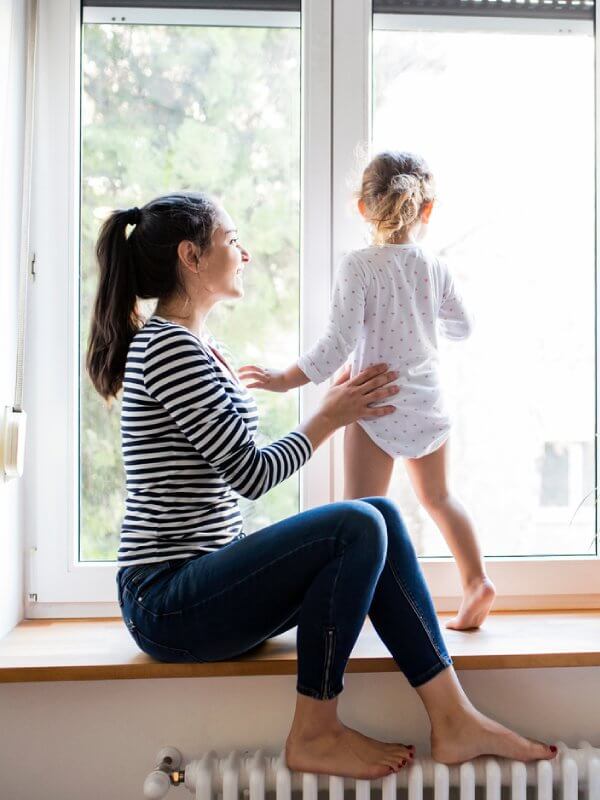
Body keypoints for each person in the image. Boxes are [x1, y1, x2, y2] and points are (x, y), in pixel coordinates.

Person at [86, 191, 556, 780]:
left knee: (378, 513)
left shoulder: (201, 347)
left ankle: (453, 717)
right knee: (357, 522)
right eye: (232, 241)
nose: (245, 253)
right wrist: (329, 416)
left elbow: (233, 458)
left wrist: (332, 405)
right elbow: (251, 473)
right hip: (166, 601)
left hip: (203, 583)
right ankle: (315, 729)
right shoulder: (169, 349)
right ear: (191, 256)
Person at [239, 151, 494, 631]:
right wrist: (421, 317)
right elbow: (463, 326)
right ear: (427, 210)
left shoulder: (358, 267)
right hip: (427, 401)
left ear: (362, 207)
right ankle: (477, 581)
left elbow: (335, 347)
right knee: (439, 498)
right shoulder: (433, 266)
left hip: (374, 401)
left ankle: (362, 608)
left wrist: (281, 379)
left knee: (360, 516)